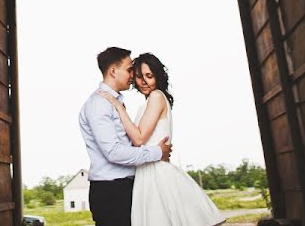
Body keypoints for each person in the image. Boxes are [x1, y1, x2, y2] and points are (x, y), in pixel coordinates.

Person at [97, 52, 227, 226]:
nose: (143, 82)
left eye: (149, 76)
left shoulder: (157, 96)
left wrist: (118, 107)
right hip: (148, 171)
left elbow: (139, 138)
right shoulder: (149, 101)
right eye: (138, 77)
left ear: (157, 76)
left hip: (157, 174)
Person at [79, 47, 173, 226]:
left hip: (124, 187)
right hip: (111, 190)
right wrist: (156, 153)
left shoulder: (115, 102)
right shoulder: (99, 104)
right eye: (130, 70)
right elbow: (113, 152)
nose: (133, 76)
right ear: (113, 71)